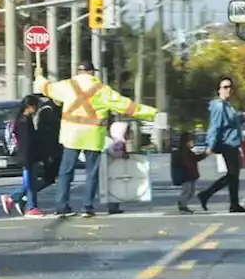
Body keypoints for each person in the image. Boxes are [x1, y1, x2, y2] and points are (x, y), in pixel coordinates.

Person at [39, 61, 157, 218]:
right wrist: (152, 113)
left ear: (79, 71)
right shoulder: (102, 90)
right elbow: (126, 106)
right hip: (92, 136)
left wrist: (39, 77)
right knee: (91, 173)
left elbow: (47, 89)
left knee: (65, 172)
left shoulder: (67, 85)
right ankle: (87, 207)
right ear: (92, 72)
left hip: (71, 135)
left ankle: (61, 206)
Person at [198, 75, 245, 213]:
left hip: (233, 143)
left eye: (230, 87)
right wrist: (210, 145)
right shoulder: (220, 106)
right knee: (232, 175)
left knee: (233, 175)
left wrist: (241, 117)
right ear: (218, 90)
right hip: (227, 144)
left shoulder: (227, 105)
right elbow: (215, 126)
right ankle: (207, 194)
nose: (228, 90)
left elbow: (230, 121)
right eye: (225, 87)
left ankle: (234, 203)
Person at [1, 95, 48, 217]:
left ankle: (31, 206)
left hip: (27, 156)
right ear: (30, 106)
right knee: (29, 183)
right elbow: (26, 142)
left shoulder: (22, 120)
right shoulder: (24, 121)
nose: (37, 109)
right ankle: (13, 198)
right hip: (27, 157)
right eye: (36, 106)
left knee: (31, 182)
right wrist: (30, 158)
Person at [171, 131, 207, 214]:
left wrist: (205, 154)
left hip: (188, 175)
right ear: (187, 141)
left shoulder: (187, 151)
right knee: (187, 191)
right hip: (186, 175)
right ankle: (182, 205)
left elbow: (195, 158)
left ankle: (183, 204)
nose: (194, 142)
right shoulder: (184, 151)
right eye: (192, 140)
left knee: (190, 192)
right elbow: (189, 163)